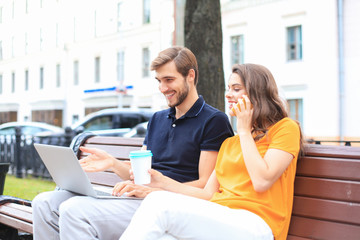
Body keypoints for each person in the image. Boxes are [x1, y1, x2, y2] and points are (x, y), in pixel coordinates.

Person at [32, 46, 234, 240]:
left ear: (190, 75)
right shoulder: (157, 119)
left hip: (169, 205)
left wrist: (155, 191)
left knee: (74, 211)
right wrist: (112, 163)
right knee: (43, 203)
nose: (163, 88)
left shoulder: (214, 121)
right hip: (139, 197)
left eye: (169, 80)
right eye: (159, 81)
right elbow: (140, 173)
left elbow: (205, 185)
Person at [117, 63, 304, 240]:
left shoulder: (285, 128)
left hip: (257, 224)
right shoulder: (231, 143)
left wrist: (245, 130)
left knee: (158, 204)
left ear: (258, 94)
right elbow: (208, 194)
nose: (229, 95)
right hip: (220, 218)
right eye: (228, 88)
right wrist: (162, 183)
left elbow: (262, 181)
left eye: (236, 89)